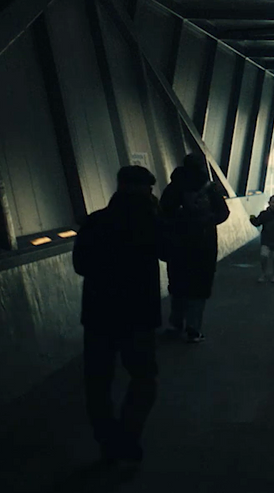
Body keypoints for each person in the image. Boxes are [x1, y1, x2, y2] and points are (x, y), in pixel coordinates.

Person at [72, 164, 171, 464]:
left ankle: (107, 439)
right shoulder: (150, 223)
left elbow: (81, 266)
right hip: (138, 315)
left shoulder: (95, 222)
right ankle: (128, 438)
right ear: (146, 190)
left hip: (99, 314)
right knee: (143, 377)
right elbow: (170, 251)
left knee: (98, 381)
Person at [159, 152, 231, 343]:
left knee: (178, 285)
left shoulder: (173, 188)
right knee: (199, 288)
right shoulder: (210, 189)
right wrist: (208, 221)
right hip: (204, 245)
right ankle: (193, 328)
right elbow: (223, 213)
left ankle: (176, 324)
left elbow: (163, 213)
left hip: (178, 246)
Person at [249, 195, 274, 284]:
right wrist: (253, 219)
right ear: (269, 203)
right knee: (263, 256)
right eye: (273, 202)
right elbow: (257, 222)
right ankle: (264, 273)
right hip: (266, 240)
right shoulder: (264, 214)